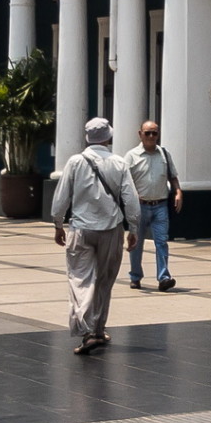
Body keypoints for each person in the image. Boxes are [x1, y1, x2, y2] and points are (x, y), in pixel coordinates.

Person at [51, 117, 139, 357]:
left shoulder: (75, 162)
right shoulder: (119, 163)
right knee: (104, 280)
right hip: (111, 229)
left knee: (80, 280)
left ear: (87, 137)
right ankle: (97, 329)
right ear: (109, 137)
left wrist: (58, 223)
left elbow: (62, 196)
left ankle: (90, 330)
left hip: (81, 229)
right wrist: (134, 228)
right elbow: (130, 198)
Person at [122, 120, 181, 291]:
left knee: (162, 241)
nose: (151, 136)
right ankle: (135, 276)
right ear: (140, 134)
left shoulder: (164, 154)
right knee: (136, 243)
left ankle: (164, 277)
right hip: (139, 207)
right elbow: (124, 181)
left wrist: (178, 191)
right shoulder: (131, 156)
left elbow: (173, 176)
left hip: (160, 205)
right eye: (147, 133)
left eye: (154, 133)